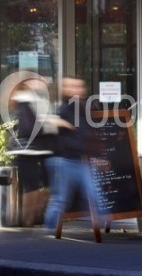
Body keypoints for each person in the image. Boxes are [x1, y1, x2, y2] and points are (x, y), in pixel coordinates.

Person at [43, 76, 105, 236]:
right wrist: (58, 123)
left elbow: (89, 135)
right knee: (61, 198)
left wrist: (97, 154)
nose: (76, 90)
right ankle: (49, 229)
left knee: (92, 193)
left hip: (79, 159)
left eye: (78, 86)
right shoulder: (63, 108)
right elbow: (46, 122)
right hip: (63, 160)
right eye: (71, 86)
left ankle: (100, 220)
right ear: (65, 90)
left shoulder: (82, 109)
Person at [11, 77, 54, 226]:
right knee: (33, 186)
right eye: (37, 80)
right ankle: (29, 219)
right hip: (30, 150)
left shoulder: (36, 101)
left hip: (37, 150)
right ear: (27, 84)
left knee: (36, 186)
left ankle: (33, 217)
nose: (42, 82)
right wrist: (50, 125)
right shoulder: (26, 101)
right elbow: (31, 128)